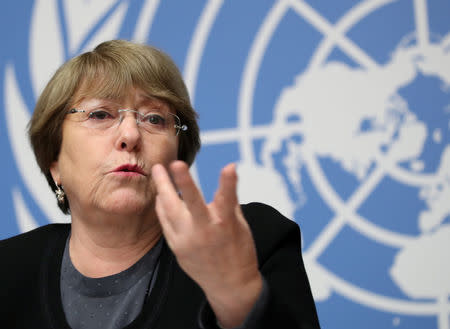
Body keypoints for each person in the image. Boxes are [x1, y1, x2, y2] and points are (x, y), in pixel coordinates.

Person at [0, 40, 320, 329]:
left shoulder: (249, 241)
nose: (130, 135)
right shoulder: (9, 269)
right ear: (54, 163)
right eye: (100, 114)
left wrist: (242, 302)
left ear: (179, 155)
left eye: (155, 119)